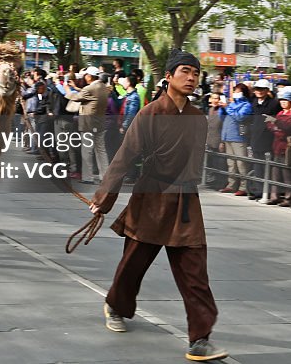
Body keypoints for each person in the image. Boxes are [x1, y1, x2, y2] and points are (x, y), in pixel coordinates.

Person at [92, 49, 227, 362]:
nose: (192, 78)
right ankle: (116, 305)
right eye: (184, 71)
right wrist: (104, 198)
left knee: (195, 273)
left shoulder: (197, 118)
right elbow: (124, 158)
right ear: (168, 76)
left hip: (186, 205)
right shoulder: (150, 113)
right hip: (151, 200)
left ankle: (200, 339)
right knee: (133, 264)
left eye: (196, 73)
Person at [65, 66, 110, 183]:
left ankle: (88, 177)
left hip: (88, 124)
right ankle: (104, 176)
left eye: (85, 75)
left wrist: (67, 90)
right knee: (101, 150)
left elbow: (76, 97)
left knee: (87, 150)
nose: (85, 77)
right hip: (100, 124)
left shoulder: (90, 88)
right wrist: (76, 87)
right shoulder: (103, 87)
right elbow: (88, 94)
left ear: (89, 76)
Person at [246, 79, 280, 200]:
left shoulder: (274, 103)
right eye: (257, 89)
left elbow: (278, 119)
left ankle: (269, 192)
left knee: (267, 167)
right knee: (257, 166)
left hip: (267, 138)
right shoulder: (254, 102)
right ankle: (258, 191)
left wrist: (271, 119)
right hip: (255, 137)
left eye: (262, 89)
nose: (259, 92)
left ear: (267, 90)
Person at [219, 83, 252, 195]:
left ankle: (244, 187)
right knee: (231, 163)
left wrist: (227, 108)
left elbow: (240, 117)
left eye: (238, 91)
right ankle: (231, 184)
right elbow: (223, 118)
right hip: (228, 136)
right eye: (235, 91)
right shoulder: (232, 104)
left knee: (241, 163)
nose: (236, 93)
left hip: (239, 138)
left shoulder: (246, 105)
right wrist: (222, 109)